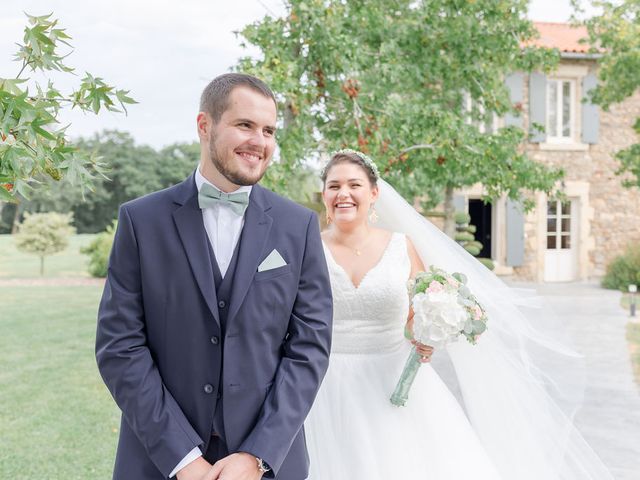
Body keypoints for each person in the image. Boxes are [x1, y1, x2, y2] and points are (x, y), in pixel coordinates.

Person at [304, 149, 614, 480]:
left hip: (392, 382)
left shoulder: (401, 246)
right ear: (324, 194)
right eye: (334, 186)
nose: (344, 194)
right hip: (324, 386)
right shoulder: (308, 248)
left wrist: (427, 333)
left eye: (354, 184)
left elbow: (414, 313)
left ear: (374, 193)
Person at [95, 73, 333, 480]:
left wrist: (257, 455)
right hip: (158, 464)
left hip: (268, 464)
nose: (260, 141)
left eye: (269, 130)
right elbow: (120, 347)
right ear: (205, 126)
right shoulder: (140, 221)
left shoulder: (299, 227)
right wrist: (181, 458)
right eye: (245, 125)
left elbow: (309, 349)